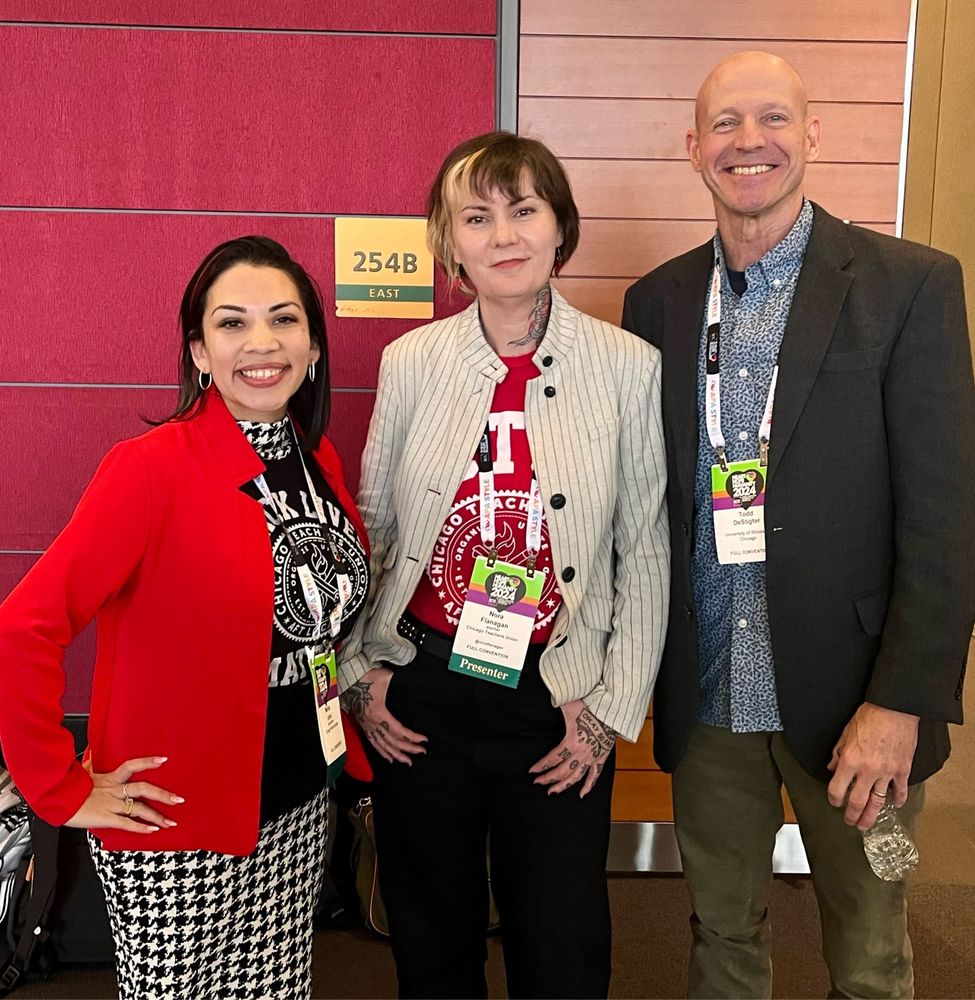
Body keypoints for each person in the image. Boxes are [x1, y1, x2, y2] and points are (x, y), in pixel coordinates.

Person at [622, 51, 975, 999]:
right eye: (725, 125)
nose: (750, 143)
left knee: (875, 945)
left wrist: (901, 705)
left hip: (860, 709)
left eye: (772, 119)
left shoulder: (910, 287)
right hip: (710, 703)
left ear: (810, 135)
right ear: (693, 148)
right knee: (719, 937)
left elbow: (946, 522)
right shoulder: (655, 302)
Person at [339, 131, 669, 999]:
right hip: (421, 687)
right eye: (476, 217)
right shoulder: (412, 362)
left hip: (553, 698)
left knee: (559, 944)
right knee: (431, 935)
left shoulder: (628, 368)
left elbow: (643, 548)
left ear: (559, 226)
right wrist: (359, 673)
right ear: (450, 246)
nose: (504, 234)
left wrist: (605, 711)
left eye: (524, 209)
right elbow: (370, 526)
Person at [0, 236, 372, 1000]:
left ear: (312, 346)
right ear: (199, 351)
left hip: (296, 795)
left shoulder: (315, 459)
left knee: (277, 990)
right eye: (232, 324)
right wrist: (61, 789)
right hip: (177, 817)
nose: (262, 343)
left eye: (284, 320)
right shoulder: (150, 469)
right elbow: (23, 627)